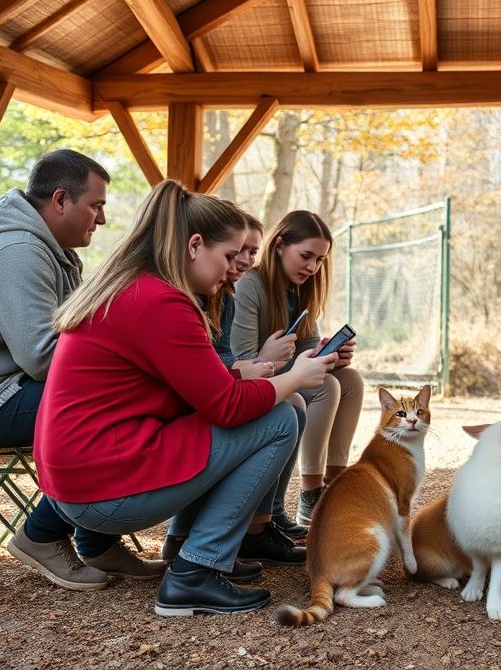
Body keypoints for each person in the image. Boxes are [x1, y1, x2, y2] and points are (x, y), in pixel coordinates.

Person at [34, 180, 336, 617]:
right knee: (279, 420)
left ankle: (186, 547)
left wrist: (243, 373)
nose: (234, 269)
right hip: (102, 493)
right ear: (195, 245)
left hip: (79, 484)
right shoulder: (164, 302)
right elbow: (228, 407)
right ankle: (195, 572)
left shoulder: (136, 286)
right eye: (229, 257)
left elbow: (189, 387)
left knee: (275, 407)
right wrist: (295, 378)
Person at [0, 149, 162, 590]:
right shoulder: (14, 252)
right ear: (61, 200)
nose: (102, 219)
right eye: (96, 205)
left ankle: (96, 540)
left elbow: (80, 340)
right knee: (124, 409)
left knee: (132, 399)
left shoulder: (50, 251)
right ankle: (41, 535)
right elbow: (45, 356)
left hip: (9, 390)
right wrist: (135, 371)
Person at [160, 208, 310, 568]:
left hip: (205, 396)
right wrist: (261, 364)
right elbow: (218, 372)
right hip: (173, 418)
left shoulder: (221, 297)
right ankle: (213, 547)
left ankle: (234, 530)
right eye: (235, 252)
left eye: (250, 253)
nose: (243, 262)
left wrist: (253, 369)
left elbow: (222, 360)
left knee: (296, 402)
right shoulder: (182, 297)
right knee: (282, 412)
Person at [231, 210, 364, 527]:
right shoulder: (251, 285)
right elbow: (241, 358)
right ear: (279, 246)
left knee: (350, 380)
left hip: (282, 371)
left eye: (319, 260)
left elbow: (307, 347)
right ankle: (311, 493)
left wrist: (328, 355)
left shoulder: (299, 289)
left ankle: (335, 487)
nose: (312, 267)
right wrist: (285, 360)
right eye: (306, 256)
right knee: (325, 387)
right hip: (254, 376)